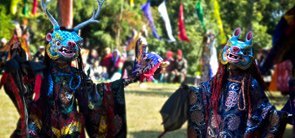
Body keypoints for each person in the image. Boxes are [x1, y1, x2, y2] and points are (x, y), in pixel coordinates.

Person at [0, 1, 164, 137]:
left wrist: (133, 78)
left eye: (74, 43)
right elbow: (17, 72)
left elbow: (100, 92)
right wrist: (11, 55)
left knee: (73, 127)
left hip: (70, 126)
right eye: (63, 43)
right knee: (31, 128)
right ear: (50, 42)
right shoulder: (40, 70)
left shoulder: (76, 75)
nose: (70, 46)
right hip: (42, 123)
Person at [160, 28, 289, 137]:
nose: (234, 54)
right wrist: (192, 92)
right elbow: (206, 90)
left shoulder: (250, 83)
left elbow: (263, 109)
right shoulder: (220, 78)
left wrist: (278, 116)